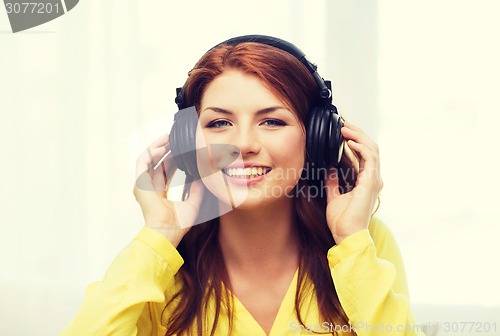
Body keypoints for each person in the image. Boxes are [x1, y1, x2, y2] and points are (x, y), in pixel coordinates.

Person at [62, 36, 425, 336]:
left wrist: (351, 242)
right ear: (189, 143)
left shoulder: (364, 243)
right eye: (219, 123)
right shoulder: (158, 265)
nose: (243, 144)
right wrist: (158, 235)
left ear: (317, 138)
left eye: (272, 122)